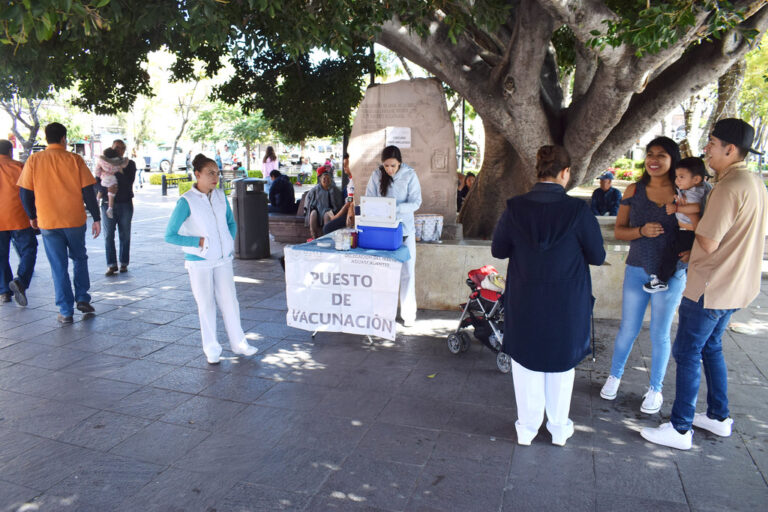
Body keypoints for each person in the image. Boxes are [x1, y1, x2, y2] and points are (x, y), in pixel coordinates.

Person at [641, 118, 768, 450]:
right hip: (736, 286)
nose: (706, 149)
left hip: (711, 286)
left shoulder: (729, 187)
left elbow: (709, 241)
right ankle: (718, 416)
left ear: (730, 149)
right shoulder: (753, 182)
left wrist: (688, 233)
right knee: (710, 348)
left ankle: (680, 428)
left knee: (687, 352)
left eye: (711, 143)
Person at [492, 145, 605, 447]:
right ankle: (558, 428)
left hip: (525, 297)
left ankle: (526, 429)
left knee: (526, 362)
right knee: (562, 362)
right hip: (566, 302)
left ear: (537, 170)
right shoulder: (579, 211)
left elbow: (498, 250)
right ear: (565, 173)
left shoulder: (515, 207)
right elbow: (596, 255)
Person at [600, 136, 683, 414]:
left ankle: (655, 389)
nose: (654, 160)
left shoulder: (683, 191)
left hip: (670, 274)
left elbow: (696, 227)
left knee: (660, 333)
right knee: (628, 328)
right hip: (637, 269)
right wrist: (641, 231)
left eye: (661, 155)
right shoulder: (634, 190)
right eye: (650, 154)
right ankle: (614, 375)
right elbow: (619, 230)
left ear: (673, 160)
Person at [165, 154, 259, 364]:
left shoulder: (219, 196)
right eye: (210, 173)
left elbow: (230, 223)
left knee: (230, 302)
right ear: (197, 174)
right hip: (199, 262)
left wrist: (227, 241)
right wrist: (198, 243)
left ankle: (239, 343)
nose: (215, 177)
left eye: (217, 172)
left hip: (223, 259)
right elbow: (169, 235)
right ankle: (212, 349)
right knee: (206, 305)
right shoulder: (186, 201)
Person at [17, 122, 101, 323]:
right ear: (64, 139)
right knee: (79, 258)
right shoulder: (75, 159)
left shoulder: (34, 160)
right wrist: (96, 218)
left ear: (47, 138)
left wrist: (32, 215)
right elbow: (88, 191)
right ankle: (82, 298)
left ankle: (65, 311)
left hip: (48, 221)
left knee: (58, 266)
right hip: (74, 219)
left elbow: (24, 192)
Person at [365, 145, 422, 326]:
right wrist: (381, 210)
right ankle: (382, 313)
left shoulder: (410, 175)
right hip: (383, 233)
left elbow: (416, 202)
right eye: (386, 166)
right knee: (383, 274)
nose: (389, 169)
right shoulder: (376, 175)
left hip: (405, 231)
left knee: (407, 273)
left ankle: (408, 315)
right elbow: (369, 199)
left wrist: (394, 208)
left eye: (393, 166)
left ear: (400, 163)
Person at [644, 157, 711, 293]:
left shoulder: (695, 193)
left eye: (681, 177)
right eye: (676, 176)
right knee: (671, 251)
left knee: (672, 253)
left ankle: (662, 280)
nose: (677, 180)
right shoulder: (697, 188)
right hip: (685, 229)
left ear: (696, 179)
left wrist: (677, 209)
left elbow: (696, 208)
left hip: (689, 231)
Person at [0, 139, 37, 306]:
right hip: (19, 218)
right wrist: (34, 214)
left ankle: (4, 292)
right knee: (29, 249)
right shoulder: (19, 167)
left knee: (1, 256)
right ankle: (20, 281)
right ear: (10, 151)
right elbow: (30, 192)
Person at [97, 139, 137, 276]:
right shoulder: (104, 163)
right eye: (116, 148)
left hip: (125, 203)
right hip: (108, 204)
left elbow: (128, 182)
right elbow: (97, 181)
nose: (119, 150)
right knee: (108, 235)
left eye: (121, 148)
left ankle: (124, 263)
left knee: (125, 234)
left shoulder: (129, 164)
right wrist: (106, 185)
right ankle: (111, 264)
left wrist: (118, 172)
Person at [305, 167, 343, 239]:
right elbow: (308, 200)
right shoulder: (315, 190)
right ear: (320, 179)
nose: (326, 180)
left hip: (331, 211)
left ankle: (327, 237)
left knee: (327, 215)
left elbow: (339, 204)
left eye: (328, 178)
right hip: (318, 211)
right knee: (313, 214)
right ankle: (314, 237)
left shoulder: (335, 190)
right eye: (324, 178)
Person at [94, 147, 130, 219]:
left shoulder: (101, 161)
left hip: (104, 178)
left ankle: (97, 200)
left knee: (101, 190)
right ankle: (110, 208)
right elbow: (123, 167)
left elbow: (97, 171)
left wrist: (99, 174)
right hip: (112, 179)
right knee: (111, 193)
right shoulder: (117, 163)